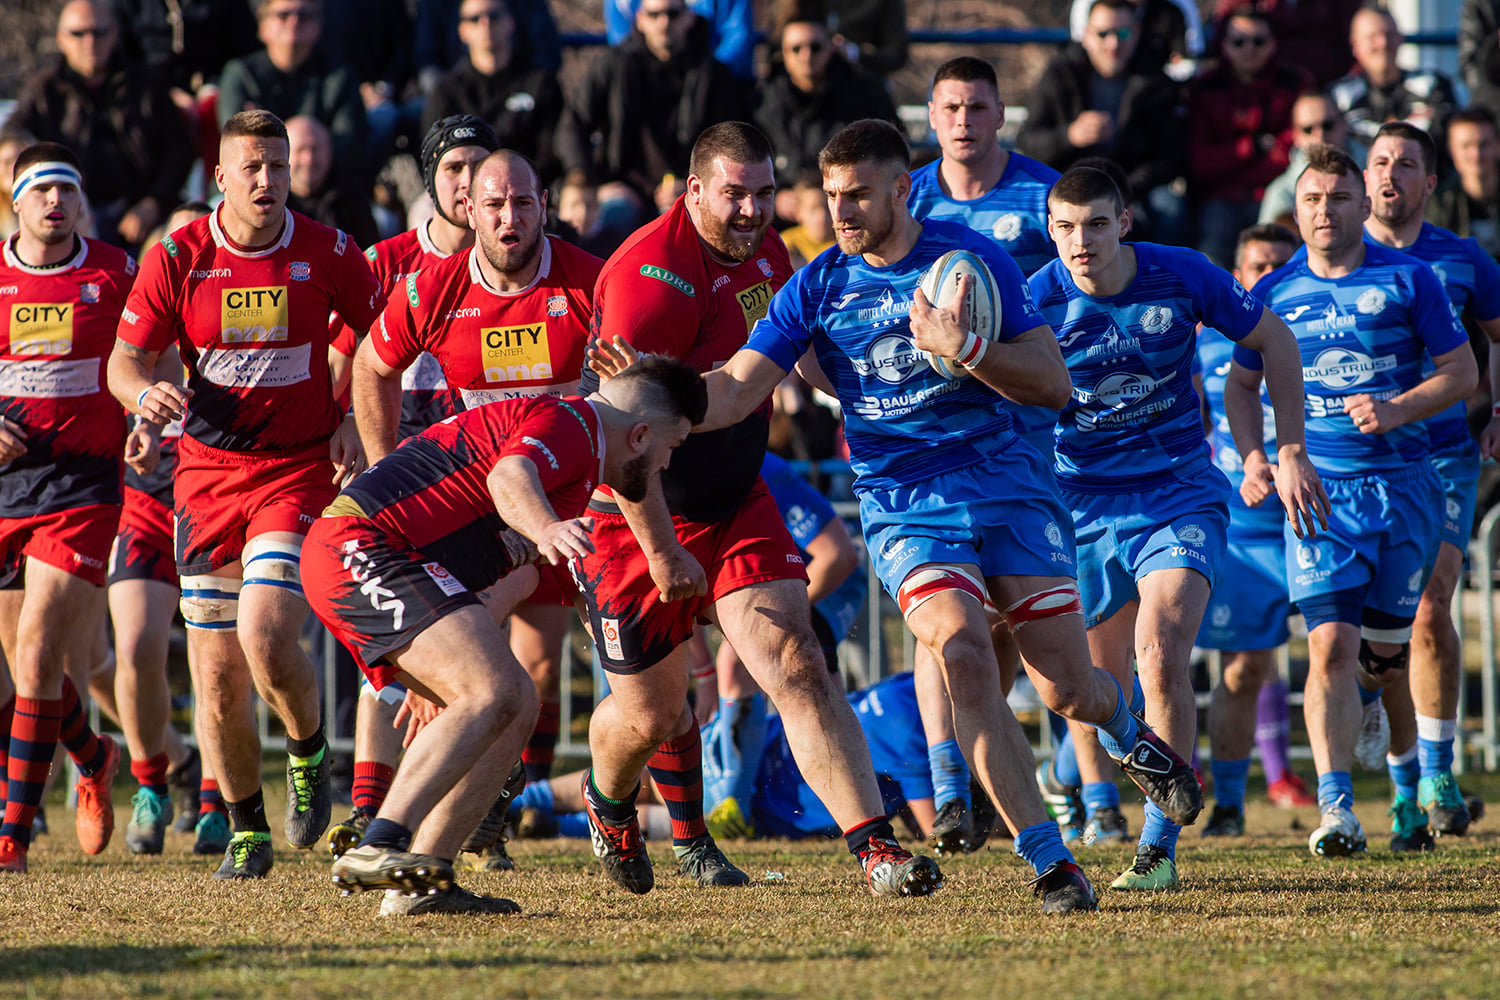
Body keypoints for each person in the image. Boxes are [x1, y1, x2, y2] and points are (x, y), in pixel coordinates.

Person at [597, 118, 1226, 914]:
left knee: (1067, 686)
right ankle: (1051, 864)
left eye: (859, 195)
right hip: (906, 506)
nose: (842, 212)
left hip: (1008, 492)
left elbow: (1053, 384)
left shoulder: (971, 263)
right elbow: (735, 389)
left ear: (903, 189)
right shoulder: (818, 284)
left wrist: (964, 346)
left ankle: (1128, 731)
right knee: (961, 650)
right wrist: (653, 392)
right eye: (831, 197)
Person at [577, 121, 941, 901]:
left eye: (765, 193)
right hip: (638, 510)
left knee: (797, 660)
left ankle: (878, 851)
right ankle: (609, 803)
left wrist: (883, 382)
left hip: (737, 496)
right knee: (656, 710)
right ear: (693, 190)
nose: (751, 211)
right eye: (734, 195)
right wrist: (664, 549)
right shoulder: (649, 280)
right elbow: (627, 443)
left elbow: (793, 344)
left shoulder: (768, 251)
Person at [309, 357, 707, 915]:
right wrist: (544, 529)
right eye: (674, 445)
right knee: (494, 690)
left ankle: (423, 883)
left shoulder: (576, 473)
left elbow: (503, 577)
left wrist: (440, 667)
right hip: (359, 545)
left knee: (514, 701)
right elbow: (508, 477)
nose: (668, 463)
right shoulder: (573, 425)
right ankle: (381, 841)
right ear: (640, 435)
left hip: (395, 563)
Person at [108, 109, 383, 880]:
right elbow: (124, 363)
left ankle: (306, 751)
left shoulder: (327, 249)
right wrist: (142, 398)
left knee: (266, 634)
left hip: (295, 470)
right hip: (204, 475)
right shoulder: (179, 258)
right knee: (218, 672)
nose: (267, 181)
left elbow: (384, 338)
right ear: (220, 178)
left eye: (278, 166)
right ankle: (246, 830)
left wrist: (356, 421)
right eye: (250, 168)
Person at [1032, 166, 1323, 890]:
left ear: (1125, 222)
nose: (1081, 242)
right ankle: (1076, 777)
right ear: (1050, 232)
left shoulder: (1183, 274)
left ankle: (1157, 851)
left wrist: (1290, 447)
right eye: (1065, 228)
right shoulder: (1034, 300)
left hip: (1177, 493)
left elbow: (1277, 342)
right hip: (1083, 506)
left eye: (1096, 224)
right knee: (1092, 685)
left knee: (1159, 651)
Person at [348, 145, 604, 869]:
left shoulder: (591, 283)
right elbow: (372, 366)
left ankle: (680, 832)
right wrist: (382, 464)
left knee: (578, 675)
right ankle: (397, 822)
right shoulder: (434, 287)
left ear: (544, 203)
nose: (510, 218)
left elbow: (627, 391)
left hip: (576, 505)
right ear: (468, 210)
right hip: (479, 509)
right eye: (494, 205)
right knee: (467, 677)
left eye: (523, 203)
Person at [1229, 143, 1475, 859]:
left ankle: (1401, 772)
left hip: (1405, 493)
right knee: (1329, 646)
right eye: (1311, 200)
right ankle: (1337, 808)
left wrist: (1398, 410)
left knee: (1384, 661)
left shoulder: (1411, 279)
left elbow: (1459, 372)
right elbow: (1241, 387)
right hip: (1320, 496)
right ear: (1295, 208)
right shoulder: (1274, 292)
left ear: (1364, 205)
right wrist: (1263, 455)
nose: (1324, 211)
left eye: (1338, 198)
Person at [904, 55, 1065, 855]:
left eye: (979, 107)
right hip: (932, 436)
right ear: (929, 118)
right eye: (950, 108)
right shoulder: (910, 197)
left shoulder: (1044, 196)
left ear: (1003, 115)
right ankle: (947, 785)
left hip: (1023, 433)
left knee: (999, 626)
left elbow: (1073, 293)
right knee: (945, 619)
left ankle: (972, 768)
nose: (964, 121)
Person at [1362, 121, 1500, 849]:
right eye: (1379, 162)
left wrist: (1497, 409)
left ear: (1430, 184)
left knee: (1429, 605)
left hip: (1444, 453)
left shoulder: (1462, 259)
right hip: (1357, 465)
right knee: (1369, 635)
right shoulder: (1331, 261)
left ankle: (1438, 774)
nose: (1390, 174)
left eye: (1405, 164)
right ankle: (1402, 779)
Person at [0, 143, 136, 873]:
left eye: (66, 191)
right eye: (40, 191)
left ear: (80, 203)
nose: (55, 203)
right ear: (16, 202)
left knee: (40, 652)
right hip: (4, 485)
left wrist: (149, 415)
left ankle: (11, 836)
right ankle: (93, 752)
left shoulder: (114, 272)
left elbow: (157, 353)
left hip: (81, 485)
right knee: (18, 678)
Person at [1195, 223, 1316, 837]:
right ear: (1237, 276)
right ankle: (1232, 803)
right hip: (1248, 530)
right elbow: (1191, 430)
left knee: (1349, 654)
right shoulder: (1208, 348)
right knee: (1242, 671)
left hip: (1318, 521)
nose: (1266, 275)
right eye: (1255, 266)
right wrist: (1236, 470)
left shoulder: (1308, 335)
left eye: (1277, 262)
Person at [520, 670, 939, 844]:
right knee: (654, 805)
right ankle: (541, 817)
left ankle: (524, 805)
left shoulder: (907, 685)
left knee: (640, 787)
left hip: (745, 759)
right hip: (761, 799)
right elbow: (934, 826)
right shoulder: (914, 728)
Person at [700, 449, 867, 838]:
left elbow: (838, 556)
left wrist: (783, 620)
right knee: (742, 664)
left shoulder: (763, 469)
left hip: (828, 581)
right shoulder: (681, 462)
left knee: (758, 664)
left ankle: (837, 805)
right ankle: (739, 803)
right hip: (777, 580)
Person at [3, 1, 194, 251]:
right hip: (67, 212)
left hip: (140, 218)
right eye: (78, 33)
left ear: (114, 34)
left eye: (99, 32)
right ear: (61, 38)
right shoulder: (44, 90)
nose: (90, 41)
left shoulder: (147, 85)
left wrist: (153, 203)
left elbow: (179, 149)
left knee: (173, 245)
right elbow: (12, 135)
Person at [1016, 0, 1188, 244]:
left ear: (1137, 33)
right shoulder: (1061, 72)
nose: (1113, 44)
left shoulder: (1156, 79)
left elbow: (1170, 156)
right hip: (1069, 183)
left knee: (1171, 208)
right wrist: (1070, 136)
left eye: (1123, 33)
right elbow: (1028, 141)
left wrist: (1123, 188)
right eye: (1103, 33)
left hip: (1135, 188)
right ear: (1085, 35)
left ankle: (1163, 278)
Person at [555, 0, 752, 211]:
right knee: (612, 210)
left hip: (694, 191)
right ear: (639, 20)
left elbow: (729, 142)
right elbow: (573, 124)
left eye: (673, 14)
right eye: (654, 15)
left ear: (690, 18)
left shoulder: (713, 74)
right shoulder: (614, 65)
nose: (664, 22)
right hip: (624, 189)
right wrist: (585, 178)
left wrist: (695, 186)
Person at [1185, 10, 1310, 268]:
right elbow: (1200, 161)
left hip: (1277, 192)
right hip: (1220, 198)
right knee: (1212, 266)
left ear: (1273, 43)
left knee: (1280, 264)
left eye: (1259, 41)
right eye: (1239, 42)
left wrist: (1232, 159)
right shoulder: (1204, 88)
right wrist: (1251, 148)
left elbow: (1294, 149)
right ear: (1224, 45)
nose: (1249, 49)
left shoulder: (1296, 84)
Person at [754, 2, 898, 210]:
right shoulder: (763, 101)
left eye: (815, 47)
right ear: (783, 53)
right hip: (783, 215)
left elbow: (891, 155)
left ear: (832, 47)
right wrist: (775, 196)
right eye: (796, 48)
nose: (806, 56)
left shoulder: (866, 95)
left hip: (852, 207)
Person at [217, 0, 368, 183]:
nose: (294, 22)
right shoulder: (240, 74)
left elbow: (349, 144)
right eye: (283, 15)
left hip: (325, 189)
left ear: (319, 24)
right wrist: (314, 140)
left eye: (304, 16)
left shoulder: (340, 76)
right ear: (262, 25)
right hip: (253, 185)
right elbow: (236, 142)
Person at [421, 0, 564, 186]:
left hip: (529, 191)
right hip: (464, 195)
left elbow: (551, 153)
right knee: (421, 212)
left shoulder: (541, 85)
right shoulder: (446, 92)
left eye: (494, 16)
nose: (485, 24)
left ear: (510, 22)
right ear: (462, 30)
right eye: (474, 19)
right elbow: (436, 159)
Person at [1329, 7, 1456, 146]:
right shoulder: (1336, 97)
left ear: (1400, 38)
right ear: (1355, 45)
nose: (1383, 43)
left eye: (1389, 35)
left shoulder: (1433, 86)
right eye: (1372, 37)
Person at [1258, 93, 1366, 232]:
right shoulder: (1281, 194)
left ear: (1344, 123)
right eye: (1308, 129)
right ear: (1295, 135)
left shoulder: (1379, 169)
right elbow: (1269, 249)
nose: (1320, 136)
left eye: (1327, 125)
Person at [285, 116, 379, 249]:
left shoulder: (351, 199)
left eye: (315, 149)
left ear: (329, 149)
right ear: (283, 154)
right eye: (300, 150)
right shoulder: (274, 204)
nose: (309, 159)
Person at [1427, 107, 1500, 262]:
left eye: (1483, 144)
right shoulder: (1438, 203)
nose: (1476, 154)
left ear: (1497, 145)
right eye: (1466, 146)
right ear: (1451, 150)